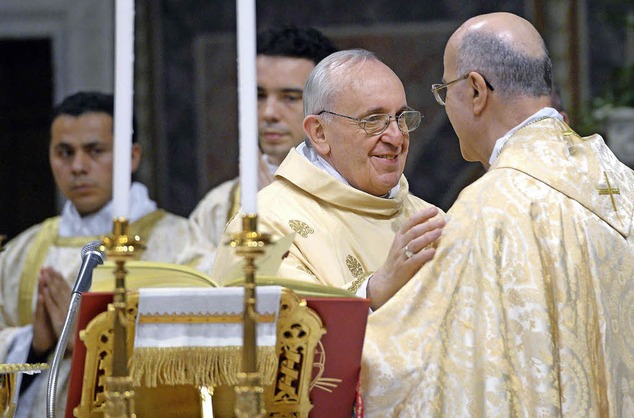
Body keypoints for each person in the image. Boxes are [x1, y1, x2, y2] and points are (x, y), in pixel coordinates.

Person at [361, 12, 634, 416]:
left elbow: (406, 368)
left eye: (444, 91)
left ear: (475, 90)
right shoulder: (622, 183)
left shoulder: (489, 211)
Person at [0, 92, 200, 417]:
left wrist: (89, 338)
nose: (78, 167)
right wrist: (32, 343)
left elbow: (200, 347)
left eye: (95, 151)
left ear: (132, 156)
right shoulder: (20, 253)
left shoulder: (181, 244)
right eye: (64, 153)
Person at [213, 49, 446, 310]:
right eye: (373, 120)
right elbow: (287, 335)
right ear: (319, 133)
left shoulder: (430, 219)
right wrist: (374, 290)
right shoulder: (266, 226)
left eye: (401, 118)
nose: (396, 136)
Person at [188, 26, 338, 260]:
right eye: (258, 96)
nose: (269, 113)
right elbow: (192, 283)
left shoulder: (352, 193)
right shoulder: (220, 205)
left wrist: (273, 209)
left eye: (289, 98)